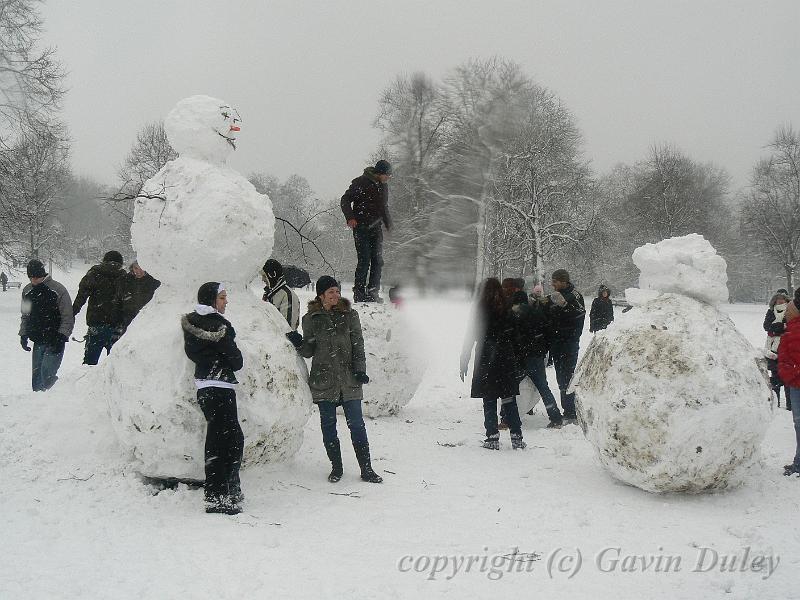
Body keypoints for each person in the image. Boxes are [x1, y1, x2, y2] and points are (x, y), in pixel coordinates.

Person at [286, 276, 383, 483]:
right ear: (321, 295)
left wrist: (360, 370)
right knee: (328, 426)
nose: (336, 295)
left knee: (356, 424)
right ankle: (336, 467)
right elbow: (309, 351)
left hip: (349, 379)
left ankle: (366, 469)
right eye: (331, 292)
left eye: (337, 291)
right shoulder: (311, 319)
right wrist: (299, 343)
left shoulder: (350, 315)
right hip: (324, 380)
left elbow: (358, 345)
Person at [182, 282, 245, 514]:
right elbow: (237, 361)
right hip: (220, 385)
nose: (226, 301)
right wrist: (228, 357)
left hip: (205, 386)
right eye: (222, 298)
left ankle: (226, 490)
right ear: (211, 300)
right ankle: (217, 496)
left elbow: (196, 354)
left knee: (223, 438)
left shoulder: (192, 324)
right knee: (226, 441)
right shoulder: (220, 326)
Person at [460, 278, 525, 450]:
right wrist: (518, 359)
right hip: (506, 358)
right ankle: (517, 436)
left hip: (486, 358)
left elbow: (470, 336)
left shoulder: (479, 310)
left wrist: (464, 360)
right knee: (509, 399)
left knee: (489, 399)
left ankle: (492, 437)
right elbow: (516, 336)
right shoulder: (507, 308)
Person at [340, 160, 392, 303]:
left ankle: (373, 292)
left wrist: (388, 224)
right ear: (379, 173)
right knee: (364, 260)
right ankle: (359, 293)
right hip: (361, 227)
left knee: (378, 261)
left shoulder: (384, 187)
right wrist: (350, 217)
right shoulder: (360, 182)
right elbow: (345, 200)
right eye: (387, 175)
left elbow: (384, 207)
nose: (388, 178)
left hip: (376, 227)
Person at [19, 259, 74, 391]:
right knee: (37, 378)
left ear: (43, 275)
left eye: (37, 277)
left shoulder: (58, 290)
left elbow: (67, 316)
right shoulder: (27, 291)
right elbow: (25, 314)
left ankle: (52, 401)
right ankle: (37, 403)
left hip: (55, 339)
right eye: (31, 278)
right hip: (38, 339)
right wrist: (23, 334)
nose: (34, 281)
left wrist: (62, 336)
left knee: (47, 375)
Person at [511, 290, 563, 428]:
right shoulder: (537, 312)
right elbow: (548, 332)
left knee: (511, 385)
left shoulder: (516, 315)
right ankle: (555, 416)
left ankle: (508, 417)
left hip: (522, 356)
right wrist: (543, 350)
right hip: (537, 355)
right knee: (543, 387)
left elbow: (515, 337)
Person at [72, 251, 127, 364]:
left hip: (96, 324)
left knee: (89, 364)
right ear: (120, 263)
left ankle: (88, 380)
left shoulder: (94, 274)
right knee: (116, 365)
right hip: (116, 326)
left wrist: (73, 311)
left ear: (104, 261)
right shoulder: (124, 277)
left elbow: (81, 296)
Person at [546, 269, 585, 423]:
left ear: (564, 281)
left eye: (555, 281)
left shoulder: (575, 296)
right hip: (556, 343)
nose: (553, 284)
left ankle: (571, 412)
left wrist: (564, 306)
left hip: (569, 343)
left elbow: (579, 317)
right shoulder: (554, 295)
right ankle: (568, 409)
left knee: (567, 377)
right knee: (560, 377)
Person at [776, 294, 800, 477]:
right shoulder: (790, 329)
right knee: (798, 424)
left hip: (795, 383)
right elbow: (783, 357)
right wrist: (790, 375)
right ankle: (798, 463)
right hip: (796, 384)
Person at [113, 261, 161, 334]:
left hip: (147, 321)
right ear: (132, 268)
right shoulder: (124, 281)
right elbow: (118, 302)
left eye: (142, 268)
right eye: (136, 268)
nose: (139, 271)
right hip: (127, 320)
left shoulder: (154, 281)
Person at [764, 290, 791, 409]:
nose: (780, 300)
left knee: (788, 377)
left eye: (782, 298)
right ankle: (776, 404)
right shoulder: (771, 311)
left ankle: (790, 405)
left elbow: (792, 326)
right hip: (773, 348)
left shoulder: (791, 311)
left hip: (787, 347)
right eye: (778, 298)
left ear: (786, 300)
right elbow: (766, 326)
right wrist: (780, 327)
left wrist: (777, 328)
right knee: (775, 375)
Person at [260, 259, 300, 330]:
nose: (262, 279)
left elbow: (288, 329)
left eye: (264, 276)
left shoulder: (287, 295)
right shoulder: (268, 293)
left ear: (272, 275)